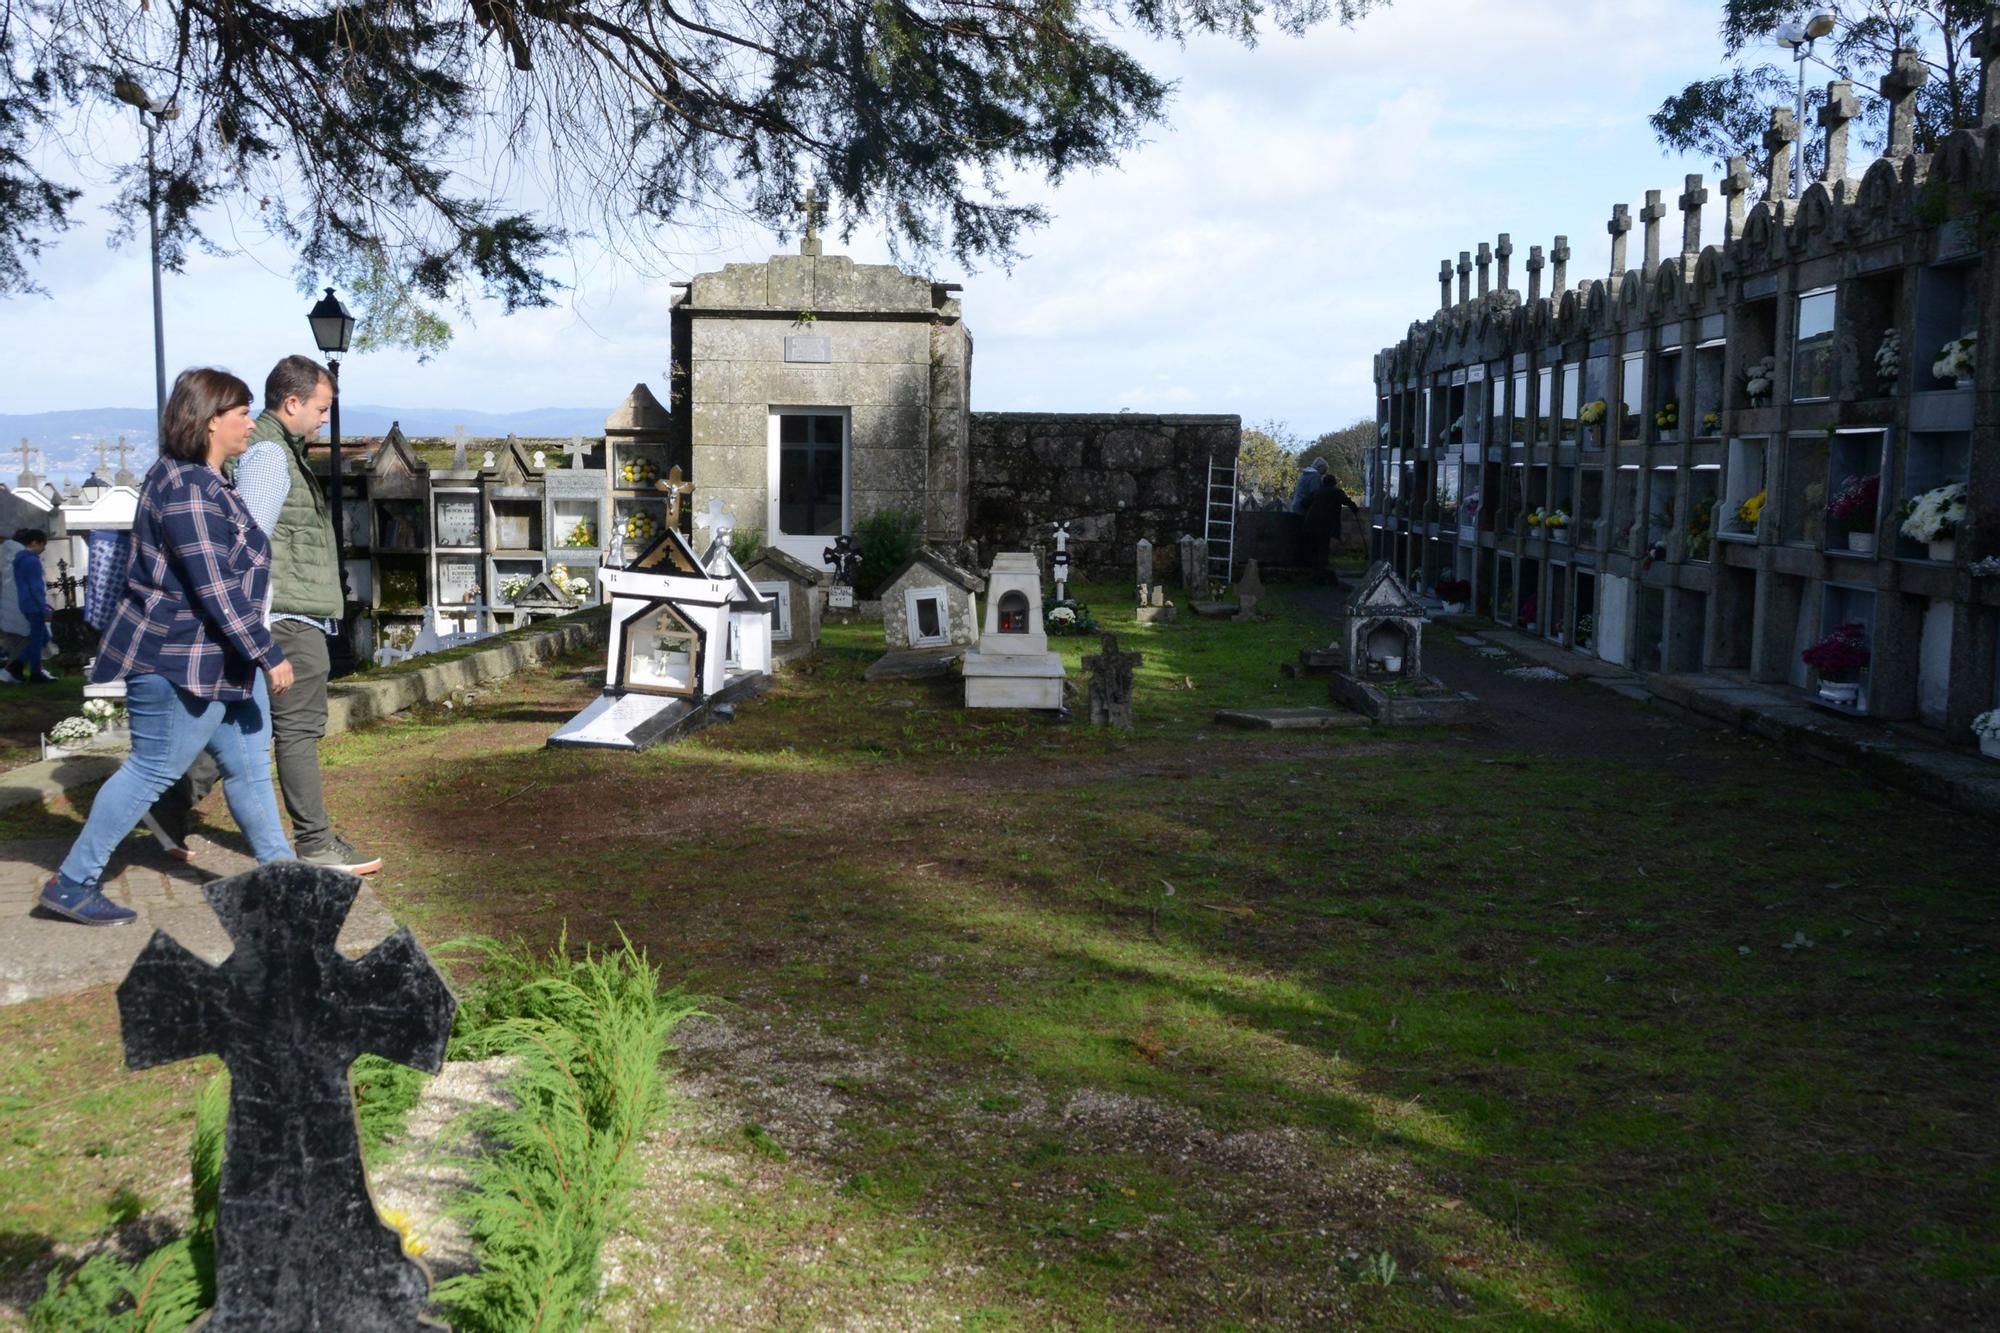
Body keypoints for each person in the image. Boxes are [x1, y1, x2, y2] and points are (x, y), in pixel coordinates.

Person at [37, 368, 296, 926]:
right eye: (242, 414)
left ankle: (281, 876)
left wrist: (250, 653)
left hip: (220, 660)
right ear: (209, 422)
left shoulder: (209, 481)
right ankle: (73, 883)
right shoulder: (183, 487)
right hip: (179, 660)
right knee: (152, 770)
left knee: (250, 769)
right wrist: (266, 651)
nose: (251, 424)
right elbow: (213, 583)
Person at [148, 355, 383, 874]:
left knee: (238, 724)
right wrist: (258, 627)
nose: (325, 419)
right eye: (321, 408)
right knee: (297, 729)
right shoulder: (271, 457)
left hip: (281, 612)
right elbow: (244, 544)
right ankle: (316, 843)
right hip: (288, 616)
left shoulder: (272, 451)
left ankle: (166, 804)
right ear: (293, 402)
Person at [4, 529, 57, 682]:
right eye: (43, 544)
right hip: (35, 605)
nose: (44, 548)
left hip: (25, 604)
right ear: (34, 542)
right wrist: (44, 607)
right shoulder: (32, 560)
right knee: (36, 640)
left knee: (35, 638)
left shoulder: (19, 559)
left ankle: (19, 665)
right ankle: (34, 672)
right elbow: (36, 587)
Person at [1302, 463, 1361, 584]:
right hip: (1325, 524)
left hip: (1311, 522)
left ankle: (1315, 573)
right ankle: (1320, 576)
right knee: (1323, 548)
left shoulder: (1317, 492)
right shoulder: (1337, 492)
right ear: (1334, 483)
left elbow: (1304, 503)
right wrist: (1355, 511)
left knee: (1315, 548)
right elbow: (1348, 502)